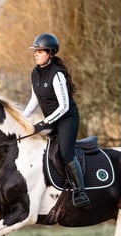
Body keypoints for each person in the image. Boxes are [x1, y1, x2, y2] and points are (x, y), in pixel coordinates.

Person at [23, 33, 90, 207]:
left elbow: (64, 106)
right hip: (52, 119)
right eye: (35, 51)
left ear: (50, 53)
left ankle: (80, 191)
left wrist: (45, 122)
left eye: (40, 51)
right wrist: (23, 119)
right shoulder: (35, 73)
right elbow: (34, 99)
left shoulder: (57, 74)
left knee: (65, 153)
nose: (36, 54)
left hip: (67, 119)